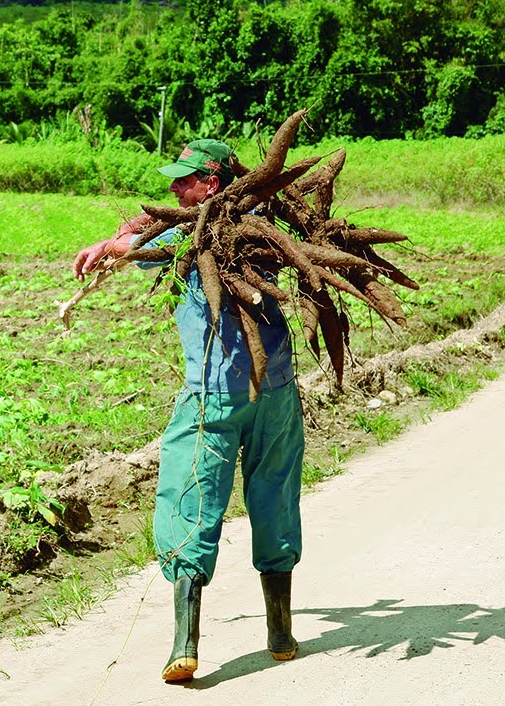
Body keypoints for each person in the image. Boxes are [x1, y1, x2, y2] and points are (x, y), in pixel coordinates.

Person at [72, 139, 305, 683]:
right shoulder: (264, 227)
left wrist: (111, 243)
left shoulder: (197, 235)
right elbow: (146, 231)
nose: (174, 189)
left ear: (214, 184)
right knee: (275, 499)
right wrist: (127, 231)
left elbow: (138, 244)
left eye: (185, 181)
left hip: (214, 398)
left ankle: (185, 643)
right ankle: (280, 633)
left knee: (187, 499)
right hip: (278, 392)